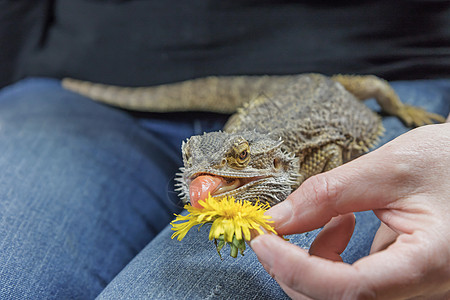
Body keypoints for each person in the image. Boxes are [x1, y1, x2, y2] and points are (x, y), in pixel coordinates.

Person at [1, 1, 450, 299]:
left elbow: (365, 93)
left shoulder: (304, 156)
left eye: (233, 161)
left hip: (390, 63)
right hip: (80, 82)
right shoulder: (229, 148)